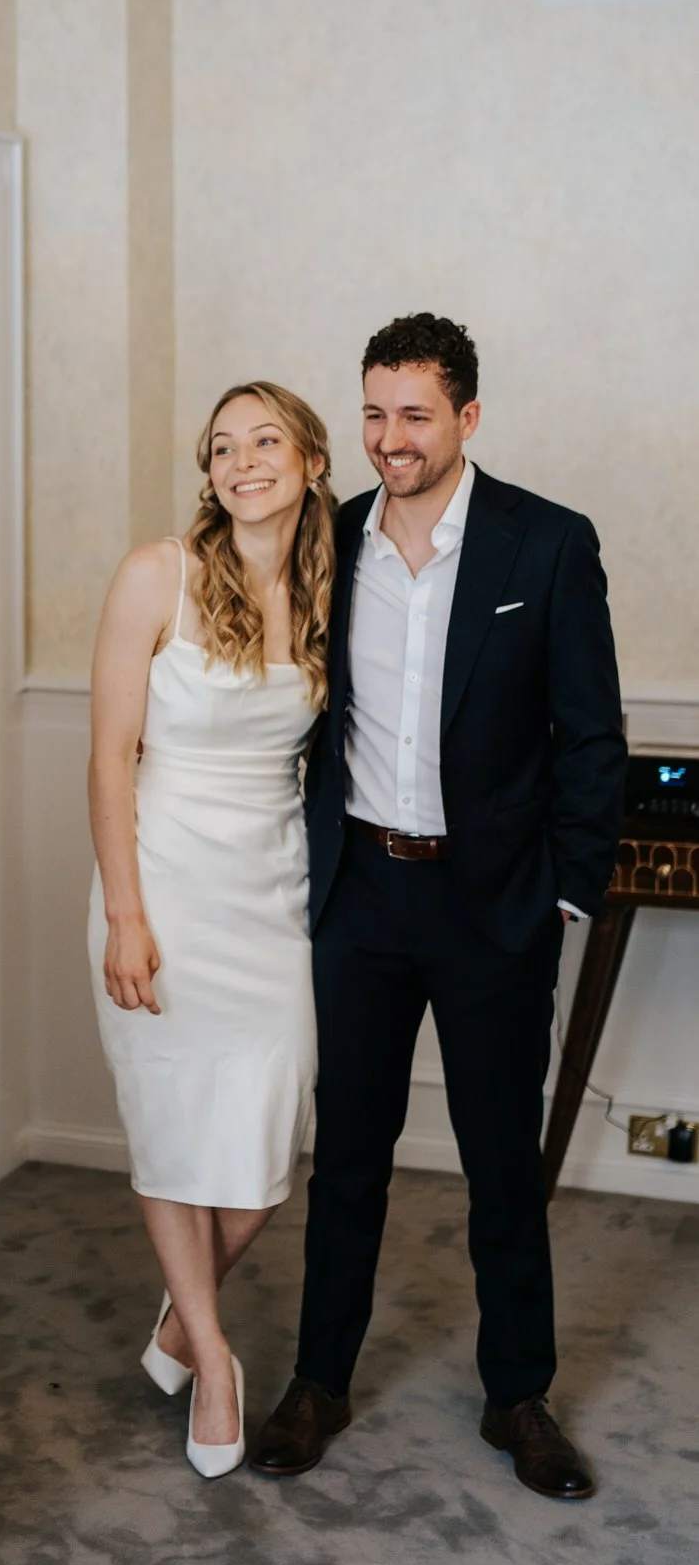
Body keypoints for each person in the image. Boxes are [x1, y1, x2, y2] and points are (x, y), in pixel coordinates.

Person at [248, 313, 627, 1500]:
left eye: (414, 413)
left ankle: (518, 1394)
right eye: (372, 411)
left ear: (466, 416)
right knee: (347, 1153)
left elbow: (592, 738)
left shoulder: (546, 545)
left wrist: (564, 896)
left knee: (501, 1166)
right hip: (361, 892)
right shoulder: (329, 537)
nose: (387, 437)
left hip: (495, 905)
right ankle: (319, 1376)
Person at [87, 382, 333, 1478]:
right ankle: (217, 1359)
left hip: (270, 896)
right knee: (175, 1127)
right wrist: (127, 915)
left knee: (265, 1147)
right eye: (222, 447)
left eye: (264, 440)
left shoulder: (337, 589)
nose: (241, 462)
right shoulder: (159, 575)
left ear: (311, 460)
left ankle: (180, 1321)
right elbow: (105, 758)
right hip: (164, 889)